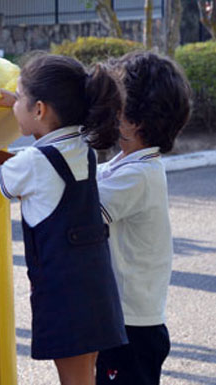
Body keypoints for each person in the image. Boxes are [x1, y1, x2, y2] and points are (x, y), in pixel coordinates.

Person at [0, 54, 127, 385]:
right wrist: (14, 102)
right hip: (94, 289)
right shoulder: (79, 147)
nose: (13, 104)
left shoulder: (34, 163)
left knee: (74, 380)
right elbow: (24, 166)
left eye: (18, 98)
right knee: (84, 375)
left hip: (64, 294)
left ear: (40, 109)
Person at [94, 51, 192, 385]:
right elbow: (82, 180)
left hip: (132, 328)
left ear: (134, 120)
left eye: (112, 102)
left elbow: (80, 209)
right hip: (125, 322)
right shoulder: (122, 165)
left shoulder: (138, 175)